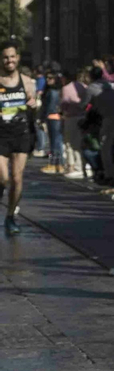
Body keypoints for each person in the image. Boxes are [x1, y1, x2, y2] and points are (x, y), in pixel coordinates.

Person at [0, 41, 38, 235]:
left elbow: (34, 106)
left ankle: (10, 217)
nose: (9, 60)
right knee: (3, 178)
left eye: (12, 57)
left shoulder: (27, 82)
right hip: (1, 135)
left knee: (16, 178)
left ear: (18, 58)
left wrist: (34, 104)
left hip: (21, 134)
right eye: (5, 57)